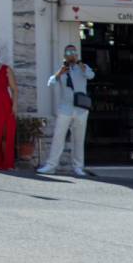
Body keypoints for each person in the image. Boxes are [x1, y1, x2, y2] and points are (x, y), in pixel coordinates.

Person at [37, 44, 95, 177]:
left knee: (78, 138)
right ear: (64, 55)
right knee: (59, 136)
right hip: (65, 108)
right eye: (68, 52)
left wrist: (82, 66)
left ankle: (78, 167)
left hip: (81, 108)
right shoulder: (62, 69)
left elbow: (91, 75)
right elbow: (50, 83)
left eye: (73, 52)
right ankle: (51, 165)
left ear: (77, 54)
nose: (71, 54)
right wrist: (60, 73)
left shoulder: (83, 67)